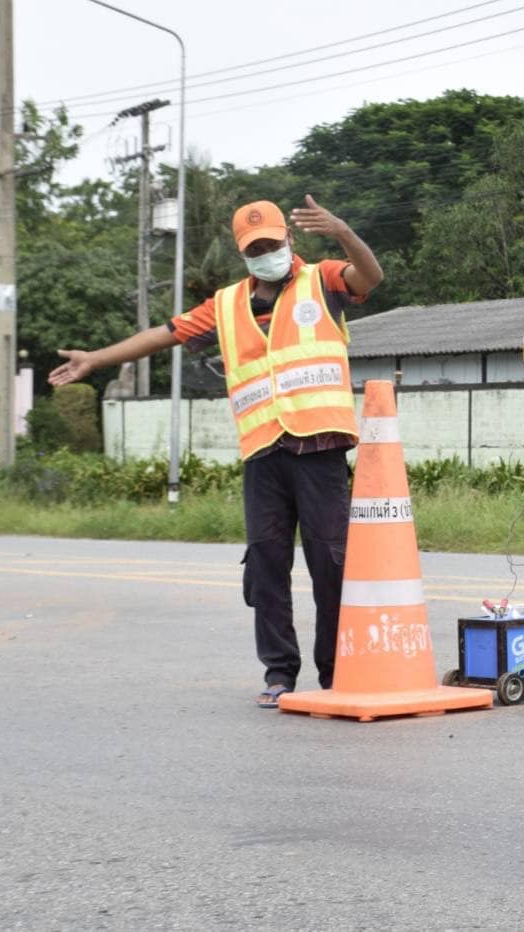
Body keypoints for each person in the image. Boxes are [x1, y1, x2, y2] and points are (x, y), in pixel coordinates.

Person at [48, 196, 383, 707]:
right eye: (255, 248)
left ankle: (335, 674)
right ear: (242, 253)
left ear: (289, 239)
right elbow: (163, 334)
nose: (265, 253)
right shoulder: (225, 306)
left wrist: (341, 230)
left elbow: (371, 276)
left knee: (330, 564)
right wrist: (96, 358)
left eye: (271, 243)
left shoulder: (324, 280)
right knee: (266, 566)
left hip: (320, 448)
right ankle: (279, 673)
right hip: (263, 453)